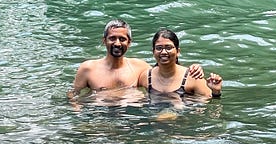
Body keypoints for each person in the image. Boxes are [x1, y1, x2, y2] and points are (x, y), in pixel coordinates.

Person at [69, 19, 206, 99]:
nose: (117, 43)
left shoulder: (140, 68)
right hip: (98, 115)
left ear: (129, 43)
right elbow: (73, 97)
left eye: (122, 39)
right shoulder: (88, 69)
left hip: (131, 118)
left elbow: (165, 74)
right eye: (112, 38)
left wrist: (194, 69)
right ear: (104, 41)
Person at [137, 28, 223, 99]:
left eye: (168, 47)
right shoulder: (146, 77)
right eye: (159, 48)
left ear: (178, 51)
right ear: (153, 52)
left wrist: (216, 92)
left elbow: (209, 104)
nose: (163, 52)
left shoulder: (193, 77)